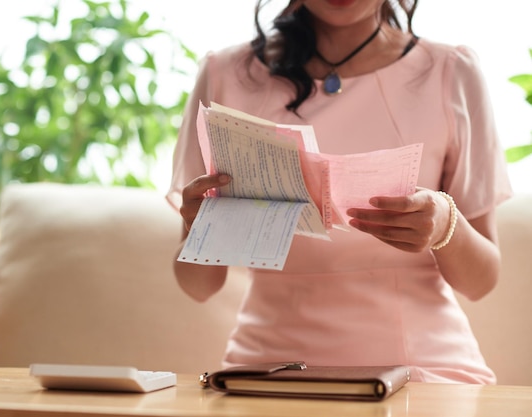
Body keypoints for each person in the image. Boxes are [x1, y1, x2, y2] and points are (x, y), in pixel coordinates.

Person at [166, 0, 513, 383]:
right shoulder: (226, 74)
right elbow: (198, 286)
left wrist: (446, 222)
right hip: (268, 370)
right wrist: (204, 229)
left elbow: (481, 282)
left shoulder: (451, 71)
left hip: (422, 370)